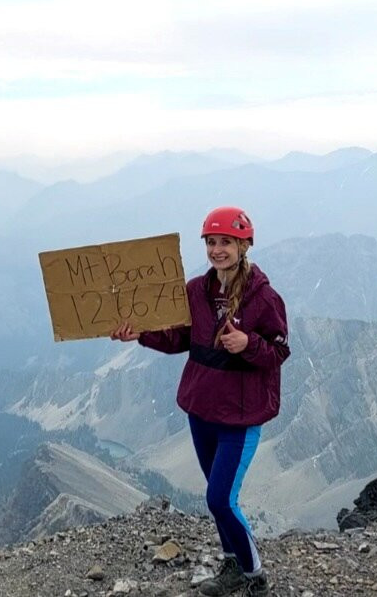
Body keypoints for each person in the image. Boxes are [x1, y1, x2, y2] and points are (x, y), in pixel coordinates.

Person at [111, 206, 289, 597]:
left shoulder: (265, 299)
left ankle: (254, 574)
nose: (217, 249)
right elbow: (178, 339)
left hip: (240, 418)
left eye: (226, 241)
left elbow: (279, 351)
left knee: (220, 498)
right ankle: (232, 566)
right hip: (202, 411)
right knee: (218, 498)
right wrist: (138, 334)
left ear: (244, 245)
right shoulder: (196, 291)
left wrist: (249, 344)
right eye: (211, 242)